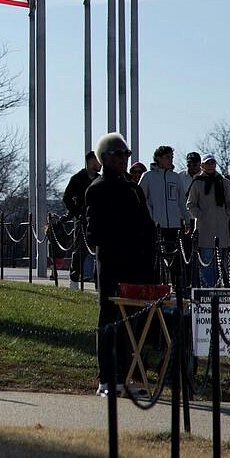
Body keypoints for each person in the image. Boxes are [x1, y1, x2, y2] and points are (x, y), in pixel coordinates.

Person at [85, 133, 158, 395]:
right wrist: (121, 241)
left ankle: (125, 376)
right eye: (118, 155)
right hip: (112, 266)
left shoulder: (133, 188)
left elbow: (147, 226)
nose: (123, 160)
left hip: (136, 266)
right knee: (109, 319)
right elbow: (93, 233)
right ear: (104, 157)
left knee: (132, 322)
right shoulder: (97, 189)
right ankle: (107, 378)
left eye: (126, 155)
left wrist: (149, 258)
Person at [139, 145, 190, 283]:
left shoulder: (176, 177)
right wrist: (151, 217)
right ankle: (155, 284)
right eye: (167, 157)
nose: (170, 160)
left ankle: (178, 286)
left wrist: (187, 219)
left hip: (174, 225)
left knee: (176, 258)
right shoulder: (148, 177)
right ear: (158, 158)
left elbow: (181, 201)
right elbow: (142, 200)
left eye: (171, 157)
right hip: (155, 225)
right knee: (155, 258)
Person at [185, 154, 230, 287]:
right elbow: (190, 204)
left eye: (212, 163)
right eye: (207, 163)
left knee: (221, 262)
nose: (210, 166)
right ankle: (208, 289)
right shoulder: (197, 182)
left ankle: (220, 288)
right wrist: (200, 215)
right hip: (204, 229)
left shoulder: (224, 182)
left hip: (222, 229)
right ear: (202, 165)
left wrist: (226, 215)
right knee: (206, 260)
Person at [62, 152, 98, 282]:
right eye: (97, 160)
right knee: (80, 247)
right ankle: (76, 273)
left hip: (97, 218)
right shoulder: (77, 178)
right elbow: (67, 197)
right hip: (82, 218)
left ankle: (95, 275)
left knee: (97, 248)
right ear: (90, 161)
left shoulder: (100, 179)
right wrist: (77, 212)